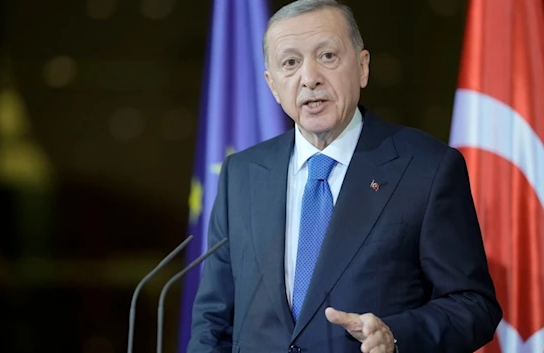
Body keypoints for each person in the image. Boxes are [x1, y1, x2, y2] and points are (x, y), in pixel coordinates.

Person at [187, 0, 502, 352]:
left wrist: (396, 334)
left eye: (327, 56)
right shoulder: (242, 174)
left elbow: (474, 305)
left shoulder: (427, 169)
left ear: (363, 67)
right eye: (290, 63)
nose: (309, 78)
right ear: (273, 85)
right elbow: (212, 319)